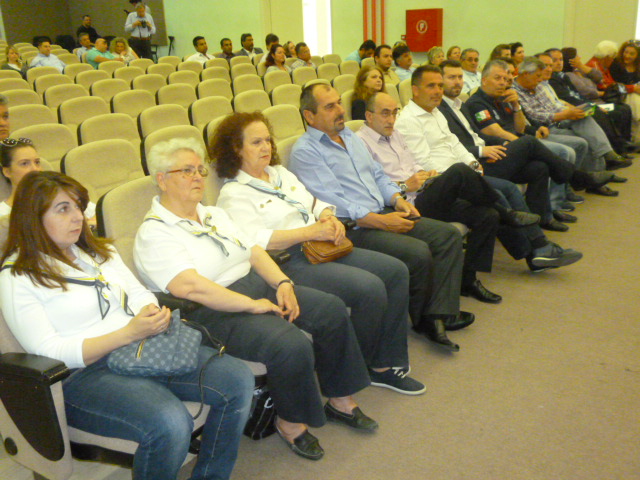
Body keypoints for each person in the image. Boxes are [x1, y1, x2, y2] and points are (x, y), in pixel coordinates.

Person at [0, 170, 254, 480]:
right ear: (32, 217)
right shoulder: (19, 276)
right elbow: (48, 351)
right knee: (170, 422)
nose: (77, 216)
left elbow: (138, 293)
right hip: (83, 374)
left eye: (78, 206)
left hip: (141, 345)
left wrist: (149, 313)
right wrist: (128, 333)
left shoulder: (98, 252)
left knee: (237, 379)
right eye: (63, 209)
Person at [134, 138, 376, 461]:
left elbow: (254, 251)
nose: (198, 177)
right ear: (162, 179)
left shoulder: (213, 214)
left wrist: (282, 282)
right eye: (187, 171)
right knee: (289, 344)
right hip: (211, 310)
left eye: (200, 170)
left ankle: (340, 399)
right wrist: (251, 305)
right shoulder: (154, 232)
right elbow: (191, 287)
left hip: (254, 284)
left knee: (329, 310)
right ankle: (290, 422)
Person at [213, 112, 425, 395]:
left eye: (267, 140)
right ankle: (371, 366)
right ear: (236, 149)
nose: (266, 147)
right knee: (369, 287)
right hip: (288, 261)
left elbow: (313, 202)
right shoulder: (234, 193)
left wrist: (327, 216)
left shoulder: (280, 174)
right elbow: (256, 242)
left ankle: (386, 359)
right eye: (256, 142)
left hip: (322, 245)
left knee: (395, 271)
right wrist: (311, 231)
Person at [290, 83, 474, 352]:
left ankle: (437, 314)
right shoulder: (306, 151)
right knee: (418, 252)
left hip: (383, 211)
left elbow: (378, 175)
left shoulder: (350, 137)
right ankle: (425, 319)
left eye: (339, 102)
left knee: (447, 235)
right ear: (309, 116)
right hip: (353, 227)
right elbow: (334, 203)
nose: (340, 110)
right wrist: (382, 221)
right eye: (330, 106)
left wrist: (397, 200)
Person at [360, 91, 581, 275]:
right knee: (463, 171)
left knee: (487, 214)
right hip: (406, 203)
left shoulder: (396, 134)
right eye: (385, 113)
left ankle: (472, 279)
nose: (391, 119)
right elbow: (371, 188)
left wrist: (422, 173)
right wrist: (404, 186)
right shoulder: (361, 144)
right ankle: (512, 216)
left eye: (394, 113)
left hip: (427, 187)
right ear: (369, 116)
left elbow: (417, 161)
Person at [514, 56, 631, 186]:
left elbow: (556, 104)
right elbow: (533, 116)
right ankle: (596, 172)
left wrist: (571, 111)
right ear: (526, 74)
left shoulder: (541, 84)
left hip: (560, 119)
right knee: (586, 137)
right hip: (545, 127)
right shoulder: (515, 92)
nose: (540, 79)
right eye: (538, 76)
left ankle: (604, 162)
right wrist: (565, 114)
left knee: (586, 117)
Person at [546, 48, 633, 158]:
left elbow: (594, 79)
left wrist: (581, 67)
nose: (559, 63)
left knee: (624, 108)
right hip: (581, 105)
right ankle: (618, 148)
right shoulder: (557, 78)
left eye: (561, 59)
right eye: (555, 60)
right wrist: (597, 98)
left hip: (593, 102)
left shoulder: (565, 75)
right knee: (608, 112)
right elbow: (571, 97)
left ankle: (623, 143)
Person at [0, 137, 97, 226]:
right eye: (24, 163)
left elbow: (98, 215)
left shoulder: (62, 195)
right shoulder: (2, 213)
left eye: (37, 162)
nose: (35, 169)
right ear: (7, 172)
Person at [609, 40, 640, 142]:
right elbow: (613, 86)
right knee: (636, 103)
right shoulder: (616, 65)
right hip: (619, 95)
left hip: (634, 94)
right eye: (626, 52)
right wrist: (633, 88)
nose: (627, 56)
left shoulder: (638, 67)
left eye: (632, 54)